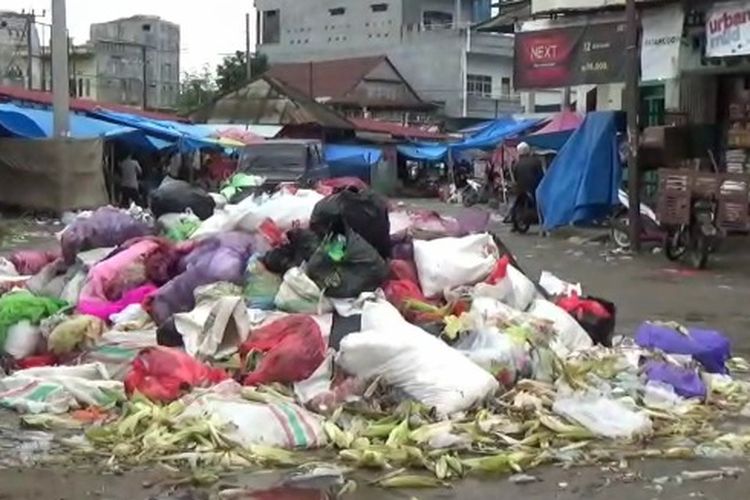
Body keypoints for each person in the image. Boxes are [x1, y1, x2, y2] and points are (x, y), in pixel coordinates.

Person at [509, 142, 545, 230]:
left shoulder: (516, 164)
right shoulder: (536, 161)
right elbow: (541, 176)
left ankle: (514, 225)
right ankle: (544, 223)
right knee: (541, 204)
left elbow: (515, 177)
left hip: (521, 189)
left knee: (516, 204)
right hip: (534, 188)